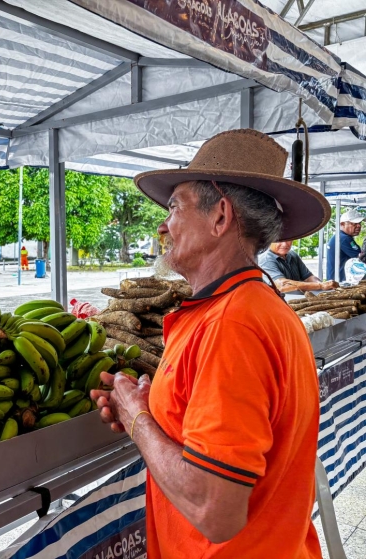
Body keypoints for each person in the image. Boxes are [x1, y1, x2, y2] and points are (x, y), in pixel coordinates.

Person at [92, 129, 329, 558]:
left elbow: (215, 510)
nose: (163, 226)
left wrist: (136, 419)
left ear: (220, 216)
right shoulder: (255, 307)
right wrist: (155, 411)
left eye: (174, 207)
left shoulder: (232, 326)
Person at [259, 241, 337, 293]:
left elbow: (308, 277)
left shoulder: (292, 254)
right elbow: (283, 285)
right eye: (279, 240)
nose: (285, 244)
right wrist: (320, 286)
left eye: (288, 240)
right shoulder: (266, 259)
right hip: (279, 303)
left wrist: (323, 284)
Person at [326, 208, 363, 282]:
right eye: (354, 223)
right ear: (342, 224)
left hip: (335, 280)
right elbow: (361, 258)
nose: (359, 226)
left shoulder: (339, 236)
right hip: (341, 282)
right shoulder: (344, 239)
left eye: (359, 223)